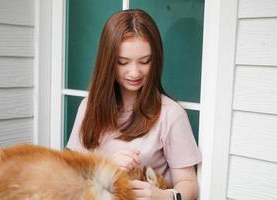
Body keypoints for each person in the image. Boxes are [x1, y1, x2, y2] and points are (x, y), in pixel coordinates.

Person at [67, 9, 202, 200]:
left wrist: (163, 196)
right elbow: (68, 173)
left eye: (145, 61)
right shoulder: (89, 106)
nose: (134, 73)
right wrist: (106, 168)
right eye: (122, 62)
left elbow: (189, 184)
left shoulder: (170, 113)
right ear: (108, 62)